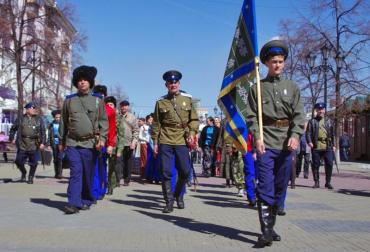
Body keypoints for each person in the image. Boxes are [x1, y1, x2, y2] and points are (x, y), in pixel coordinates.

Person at [246, 39, 305, 246]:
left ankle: (272, 225)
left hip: (286, 144)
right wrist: (257, 138)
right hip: (266, 143)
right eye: (273, 62)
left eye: (280, 61)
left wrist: (295, 135)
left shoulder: (293, 87)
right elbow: (252, 117)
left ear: (284, 62)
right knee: (265, 185)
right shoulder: (257, 89)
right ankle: (266, 231)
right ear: (266, 64)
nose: (277, 65)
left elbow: (299, 116)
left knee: (281, 186)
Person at [59, 65, 108, 214]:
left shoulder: (97, 101)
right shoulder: (69, 101)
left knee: (88, 173)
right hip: (73, 142)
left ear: (90, 82)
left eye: (85, 80)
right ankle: (73, 203)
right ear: (76, 82)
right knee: (76, 172)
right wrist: (61, 141)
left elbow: (103, 121)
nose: (82, 82)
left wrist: (103, 139)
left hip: (90, 143)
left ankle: (86, 199)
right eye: (79, 80)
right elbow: (64, 122)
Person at [151, 70, 199, 213]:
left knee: (184, 171)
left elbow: (194, 120)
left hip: (181, 140)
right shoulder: (160, 102)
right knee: (166, 172)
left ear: (179, 83)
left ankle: (178, 194)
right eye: (170, 82)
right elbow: (156, 124)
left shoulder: (188, 99)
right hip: (165, 139)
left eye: (175, 82)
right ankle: (169, 201)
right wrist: (155, 142)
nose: (173, 84)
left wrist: (191, 133)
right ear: (166, 84)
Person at [9, 102, 46, 184]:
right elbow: (13, 129)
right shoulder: (20, 118)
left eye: (35, 108)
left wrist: (43, 143)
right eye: (33, 108)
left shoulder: (39, 119)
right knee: (18, 161)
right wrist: (11, 138)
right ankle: (24, 172)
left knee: (34, 162)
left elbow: (43, 132)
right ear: (27, 109)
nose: (35, 110)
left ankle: (30, 176)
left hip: (34, 144)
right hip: (22, 143)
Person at [306, 102, 336, 189]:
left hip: (328, 146)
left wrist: (334, 145)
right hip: (316, 146)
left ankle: (328, 182)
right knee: (315, 164)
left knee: (329, 164)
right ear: (316, 111)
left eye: (322, 109)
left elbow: (332, 133)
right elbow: (308, 133)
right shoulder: (312, 121)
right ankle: (316, 182)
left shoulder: (329, 121)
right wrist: (309, 142)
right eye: (319, 110)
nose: (321, 111)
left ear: (324, 110)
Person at [116, 100, 139, 186]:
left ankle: (126, 179)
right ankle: (117, 180)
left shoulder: (132, 117)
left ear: (128, 107)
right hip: (118, 143)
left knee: (127, 162)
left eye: (125, 106)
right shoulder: (117, 116)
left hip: (129, 143)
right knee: (118, 162)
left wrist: (134, 142)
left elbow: (136, 130)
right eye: (122, 105)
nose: (124, 107)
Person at [104, 95, 118, 195]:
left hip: (114, 145)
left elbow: (121, 135)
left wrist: (119, 148)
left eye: (111, 104)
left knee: (111, 168)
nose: (109, 106)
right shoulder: (102, 116)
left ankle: (110, 185)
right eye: (107, 104)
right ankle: (102, 184)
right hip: (103, 144)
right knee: (103, 165)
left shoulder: (118, 118)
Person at [48, 109, 63, 179]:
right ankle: (56, 173)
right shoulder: (51, 125)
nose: (58, 119)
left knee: (60, 158)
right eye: (56, 117)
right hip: (54, 143)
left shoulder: (63, 124)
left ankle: (60, 173)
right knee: (55, 159)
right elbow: (49, 135)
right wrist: (48, 144)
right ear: (54, 117)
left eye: (59, 117)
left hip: (61, 143)